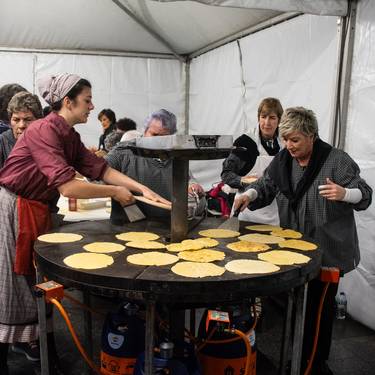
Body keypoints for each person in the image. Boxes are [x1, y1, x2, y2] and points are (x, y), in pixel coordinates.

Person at [0, 73, 169, 374]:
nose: (92, 106)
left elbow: (100, 169)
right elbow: (68, 187)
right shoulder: (43, 130)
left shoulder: (69, 135)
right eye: (87, 100)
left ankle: (45, 354)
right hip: (14, 209)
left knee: (35, 284)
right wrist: (117, 193)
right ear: (68, 102)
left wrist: (141, 189)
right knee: (14, 289)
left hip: (36, 208)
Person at [234, 107, 372, 375]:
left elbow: (365, 194)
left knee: (318, 311)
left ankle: (314, 363)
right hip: (294, 249)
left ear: (311, 135)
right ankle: (294, 357)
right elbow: (267, 185)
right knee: (297, 307)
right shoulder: (285, 158)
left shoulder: (336, 161)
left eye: (295, 140)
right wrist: (249, 194)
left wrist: (345, 193)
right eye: (285, 139)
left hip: (328, 252)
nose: (289, 145)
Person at [106, 108, 205, 224]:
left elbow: (187, 178)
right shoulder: (123, 153)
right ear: (145, 131)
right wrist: (114, 190)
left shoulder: (176, 155)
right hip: (128, 227)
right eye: (154, 134)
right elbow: (97, 172)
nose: (158, 140)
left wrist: (192, 185)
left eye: (164, 137)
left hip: (167, 227)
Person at [221, 97, 283, 224]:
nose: (267, 122)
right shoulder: (245, 143)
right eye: (263, 116)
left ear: (279, 120)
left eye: (272, 118)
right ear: (258, 117)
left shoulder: (284, 144)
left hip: (271, 211)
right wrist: (243, 180)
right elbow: (226, 174)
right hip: (245, 210)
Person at [0, 91, 43, 169]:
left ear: (38, 121)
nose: (21, 125)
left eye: (28, 119)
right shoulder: (2, 143)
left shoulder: (47, 142)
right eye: (16, 120)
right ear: (10, 121)